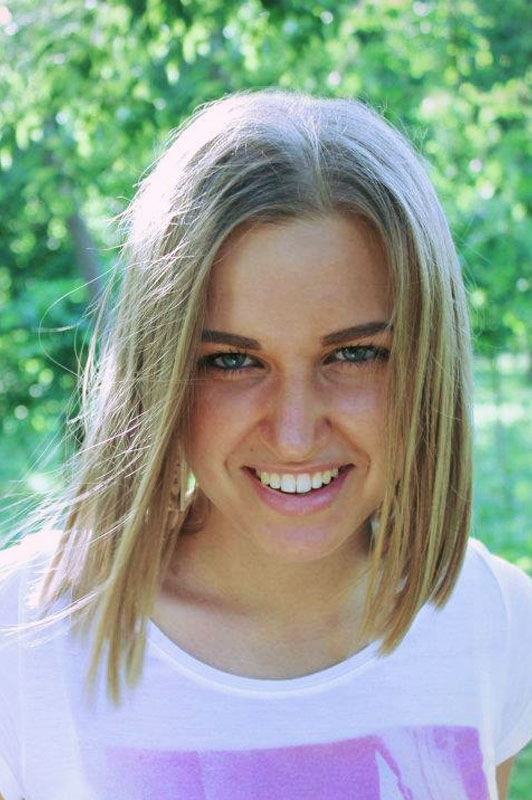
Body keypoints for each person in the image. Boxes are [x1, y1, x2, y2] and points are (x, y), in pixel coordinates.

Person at [0, 89, 531, 800]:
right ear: (160, 371)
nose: (294, 434)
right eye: (232, 360)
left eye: (354, 355)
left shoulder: (491, 618)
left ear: (427, 361)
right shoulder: (23, 634)